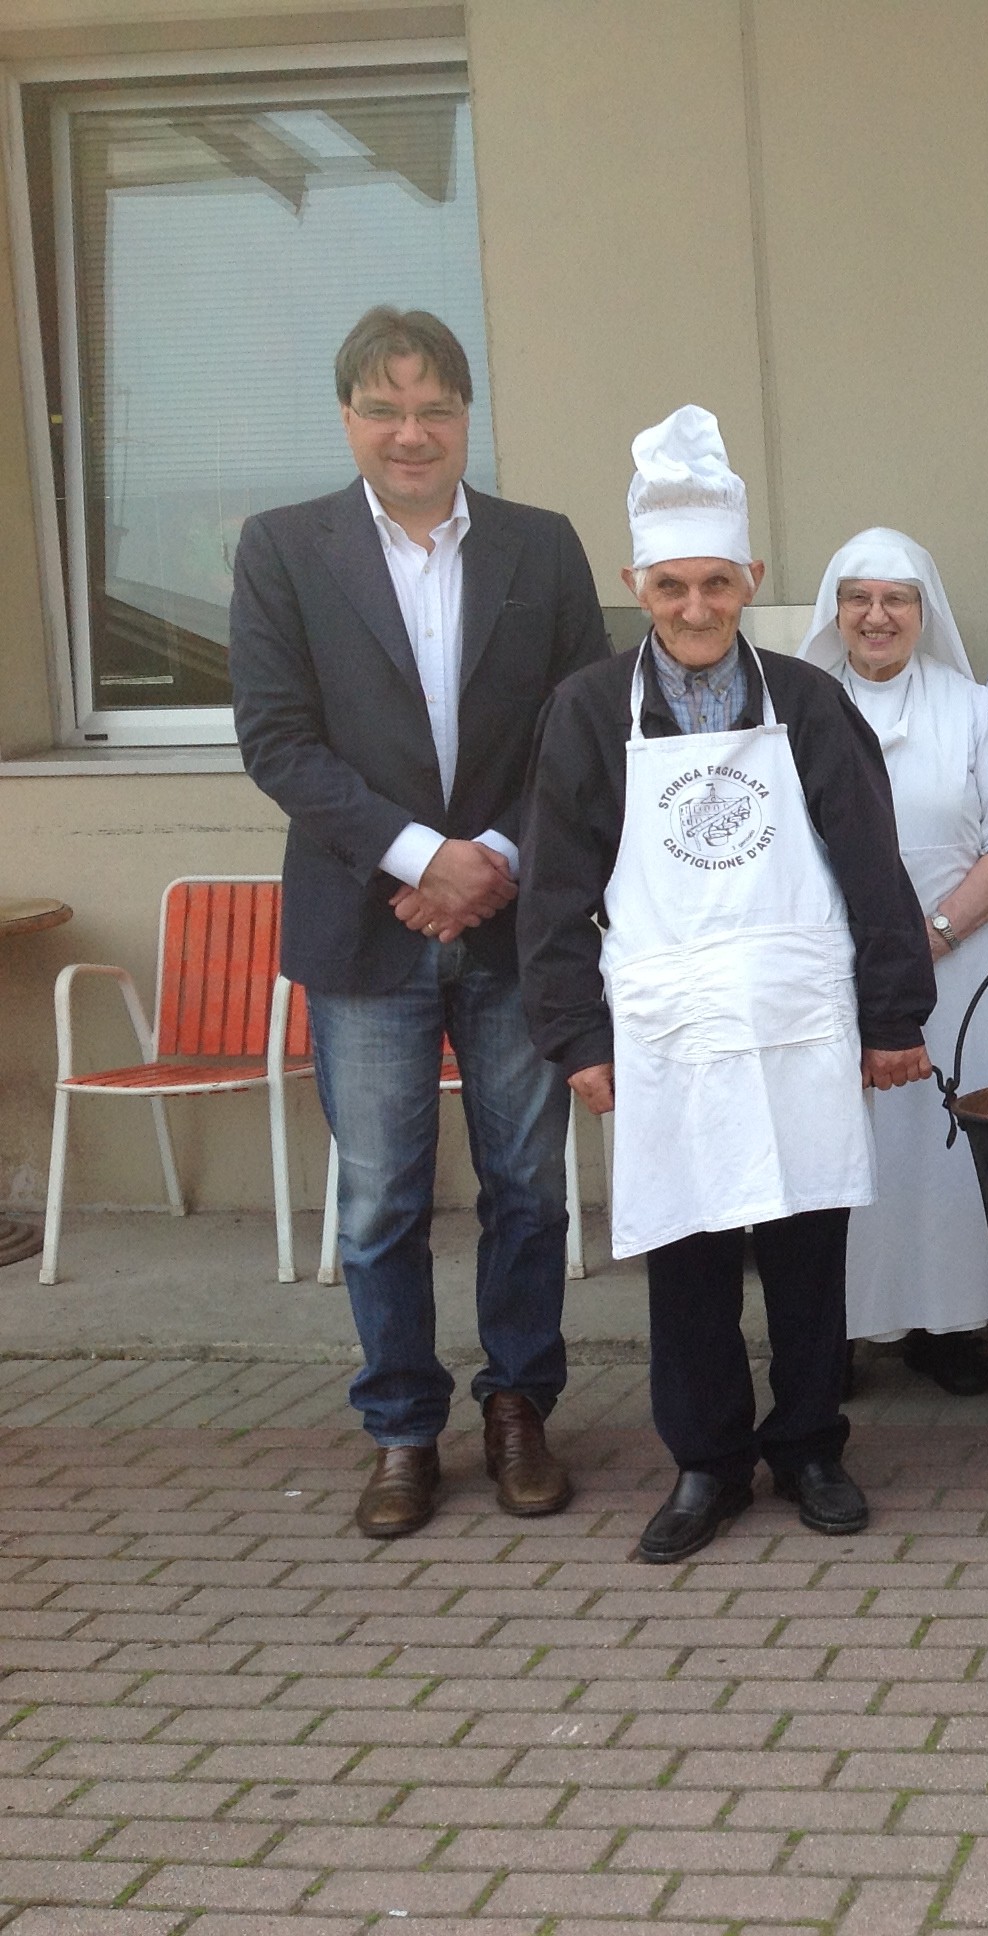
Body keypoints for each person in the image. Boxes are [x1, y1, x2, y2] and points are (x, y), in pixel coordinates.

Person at [519, 407, 937, 1563]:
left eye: (716, 583)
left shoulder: (807, 702)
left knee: (807, 1239)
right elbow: (554, 892)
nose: (696, 609)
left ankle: (809, 1443)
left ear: (752, 577)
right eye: (671, 587)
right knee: (689, 1248)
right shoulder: (590, 713)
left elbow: (871, 863)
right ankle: (707, 1459)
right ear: (634, 583)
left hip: (799, 1014)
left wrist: (894, 1013)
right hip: (669, 1026)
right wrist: (576, 1038)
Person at [230, 306, 606, 1540]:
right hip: (363, 922)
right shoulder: (283, 549)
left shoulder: (540, 547)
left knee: (529, 1192)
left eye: (434, 408)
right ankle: (401, 1428)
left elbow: (577, 723)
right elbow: (278, 740)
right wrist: (420, 856)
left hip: (511, 919)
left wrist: (490, 858)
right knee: (382, 1196)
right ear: (349, 420)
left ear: (465, 417)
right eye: (385, 410)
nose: (411, 432)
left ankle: (518, 1409)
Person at [795, 528, 988, 1395]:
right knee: (842, 1151)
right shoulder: (796, 704)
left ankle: (949, 1326)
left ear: (923, 610)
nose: (877, 616)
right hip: (838, 974)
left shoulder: (972, 706)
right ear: (836, 612)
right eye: (859, 598)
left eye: (896, 599)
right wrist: (874, 951)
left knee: (945, 1151)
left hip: (968, 961)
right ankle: (837, 1333)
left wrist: (929, 934)